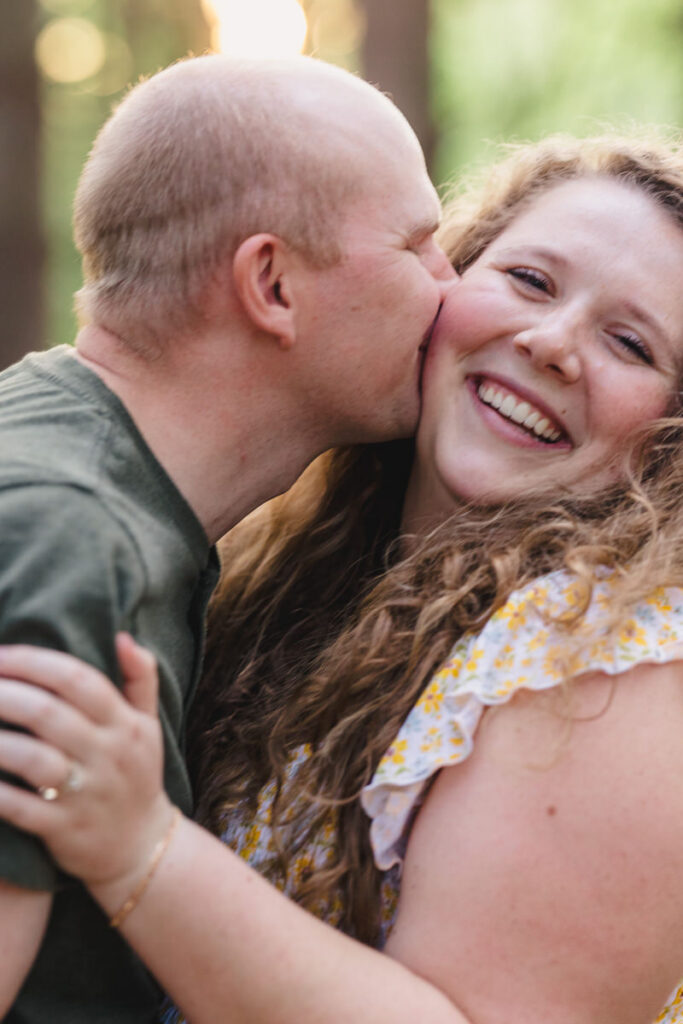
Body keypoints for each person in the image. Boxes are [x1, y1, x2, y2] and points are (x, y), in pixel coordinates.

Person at [2, 132, 683, 1024]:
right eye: (528, 281)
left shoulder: (609, 662)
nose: (552, 343)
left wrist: (143, 852)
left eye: (629, 343)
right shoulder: (303, 558)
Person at [0, 52, 453, 1022]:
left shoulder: (56, 444)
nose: (452, 291)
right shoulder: (65, 542)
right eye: (420, 246)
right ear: (271, 284)